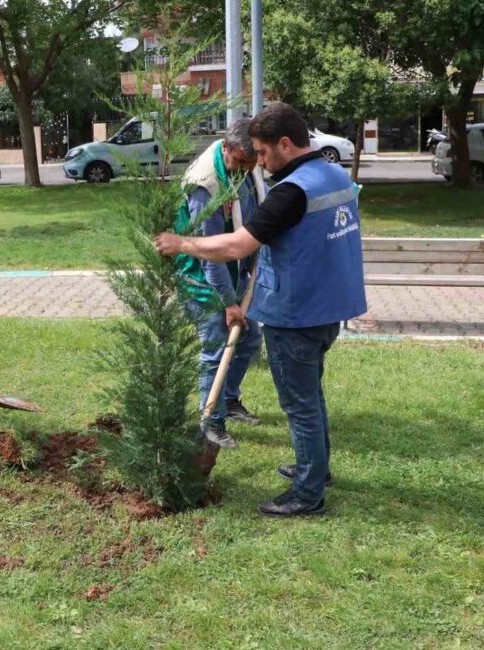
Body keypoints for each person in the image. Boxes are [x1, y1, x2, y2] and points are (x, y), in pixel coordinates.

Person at [154, 104, 367, 516]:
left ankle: (308, 494)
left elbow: (236, 245)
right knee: (312, 394)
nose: (261, 163)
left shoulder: (292, 191)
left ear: (285, 144)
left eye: (264, 153)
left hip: (297, 313)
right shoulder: (334, 173)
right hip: (331, 308)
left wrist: (182, 243)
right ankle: (315, 470)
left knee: (299, 405)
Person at [175, 118, 266, 450]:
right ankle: (210, 420)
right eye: (241, 162)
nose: (248, 168)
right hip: (202, 279)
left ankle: (228, 400)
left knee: (250, 336)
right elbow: (208, 254)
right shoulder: (205, 185)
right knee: (217, 347)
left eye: (252, 161)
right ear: (226, 148)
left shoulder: (248, 161)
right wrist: (228, 303)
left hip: (236, 270)